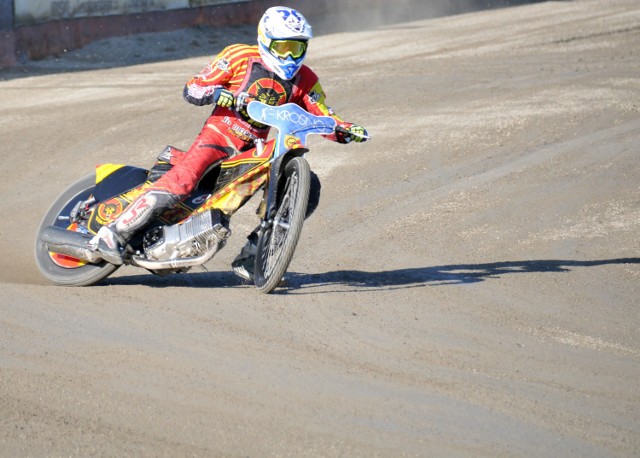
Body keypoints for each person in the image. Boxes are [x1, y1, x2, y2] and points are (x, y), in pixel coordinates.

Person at [89, 6, 368, 280]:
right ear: (265, 40)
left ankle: (253, 255)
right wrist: (217, 93)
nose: (290, 55)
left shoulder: (306, 79)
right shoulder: (238, 55)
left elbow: (323, 113)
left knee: (310, 188)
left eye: (297, 48)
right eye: (284, 47)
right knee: (183, 182)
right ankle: (114, 232)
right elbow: (194, 87)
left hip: (252, 151)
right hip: (219, 136)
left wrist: (345, 129)